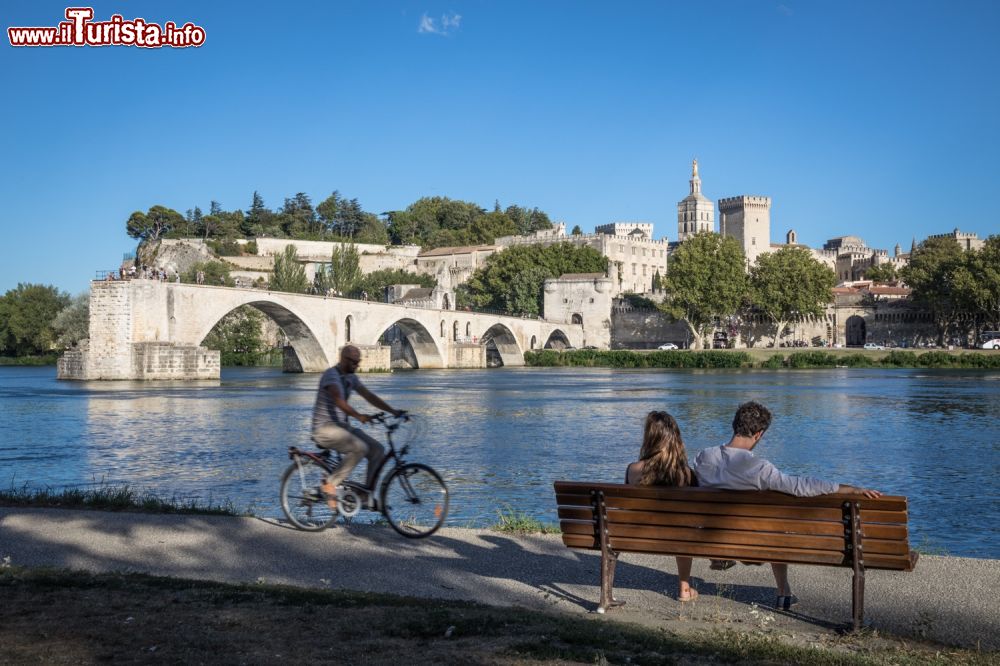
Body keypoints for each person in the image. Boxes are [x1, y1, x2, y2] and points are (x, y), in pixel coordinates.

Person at [693, 401, 882, 609]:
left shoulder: (704, 457)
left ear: (734, 425)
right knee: (776, 528)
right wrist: (847, 489)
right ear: (759, 434)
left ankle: (720, 557)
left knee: (769, 524)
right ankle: (783, 592)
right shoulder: (759, 468)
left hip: (714, 537)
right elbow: (800, 486)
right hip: (755, 541)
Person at [311, 345, 404, 508]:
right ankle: (329, 484)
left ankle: (365, 496)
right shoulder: (331, 375)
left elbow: (369, 396)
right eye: (353, 362)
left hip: (342, 427)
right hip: (324, 429)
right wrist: (359, 416)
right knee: (359, 448)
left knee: (377, 450)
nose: (356, 365)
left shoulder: (350, 378)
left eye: (358, 361)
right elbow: (338, 400)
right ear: (343, 359)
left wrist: (393, 411)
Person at [626, 411, 699, 602]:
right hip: (677, 537)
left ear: (649, 438)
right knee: (685, 528)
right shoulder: (686, 474)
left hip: (636, 535)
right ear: (675, 438)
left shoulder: (633, 470)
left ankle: (605, 595)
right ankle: (684, 588)